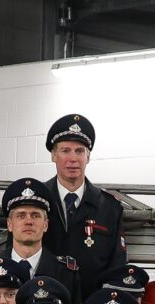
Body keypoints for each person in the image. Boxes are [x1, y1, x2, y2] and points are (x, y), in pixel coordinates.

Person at [43, 114, 127, 292]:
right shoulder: (38, 200)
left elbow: (117, 266)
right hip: (44, 302)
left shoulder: (109, 208)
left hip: (91, 303)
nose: (73, 159)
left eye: (79, 151)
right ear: (53, 155)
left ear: (88, 157)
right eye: (65, 150)